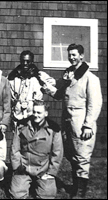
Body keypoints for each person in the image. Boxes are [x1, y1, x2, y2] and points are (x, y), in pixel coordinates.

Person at [44, 44, 102, 198]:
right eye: (70, 55)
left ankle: (80, 192)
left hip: (81, 121)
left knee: (82, 155)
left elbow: (94, 104)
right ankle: (76, 187)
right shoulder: (69, 75)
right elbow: (60, 94)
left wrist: (88, 125)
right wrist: (47, 88)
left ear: (82, 56)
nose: (71, 57)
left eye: (75, 55)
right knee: (72, 155)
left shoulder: (90, 78)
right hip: (68, 121)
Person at [9, 100, 63, 199]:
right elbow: (15, 149)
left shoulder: (53, 129)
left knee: (47, 196)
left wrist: (51, 173)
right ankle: (25, 182)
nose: (35, 115)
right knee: (16, 195)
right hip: (24, 168)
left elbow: (57, 153)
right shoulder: (22, 126)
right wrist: (17, 168)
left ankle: (38, 184)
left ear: (46, 113)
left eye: (39, 113)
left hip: (43, 169)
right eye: (34, 112)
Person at [8, 50, 56, 123]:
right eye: (23, 61)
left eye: (28, 61)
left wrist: (42, 83)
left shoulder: (39, 76)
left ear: (32, 62)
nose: (25, 64)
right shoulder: (13, 77)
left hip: (34, 116)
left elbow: (53, 83)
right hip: (18, 116)